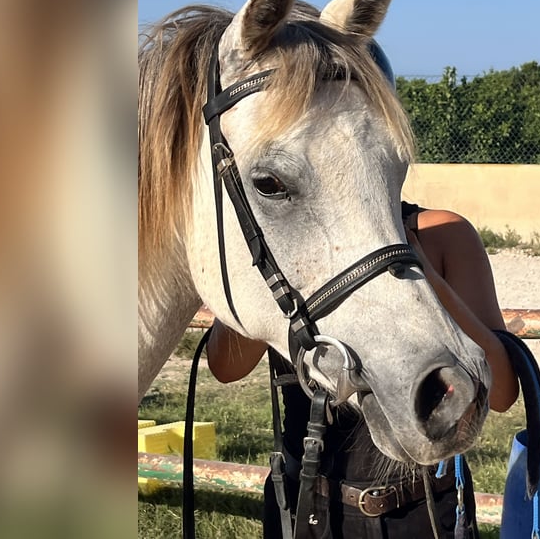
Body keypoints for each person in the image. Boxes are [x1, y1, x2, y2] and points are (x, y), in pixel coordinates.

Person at [207, 201, 519, 538]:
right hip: (306, 499)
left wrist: (419, 269)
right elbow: (226, 367)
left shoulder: (442, 233)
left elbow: (501, 391)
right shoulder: (284, 240)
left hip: (421, 504)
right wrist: (265, 262)